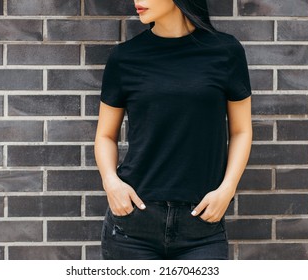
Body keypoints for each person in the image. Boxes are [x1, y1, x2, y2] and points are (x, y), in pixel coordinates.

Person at [94, 0, 252, 260]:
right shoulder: (125, 57)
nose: (137, 0)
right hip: (133, 226)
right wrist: (111, 183)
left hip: (202, 229)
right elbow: (105, 135)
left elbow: (241, 130)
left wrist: (227, 189)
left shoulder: (226, 51)